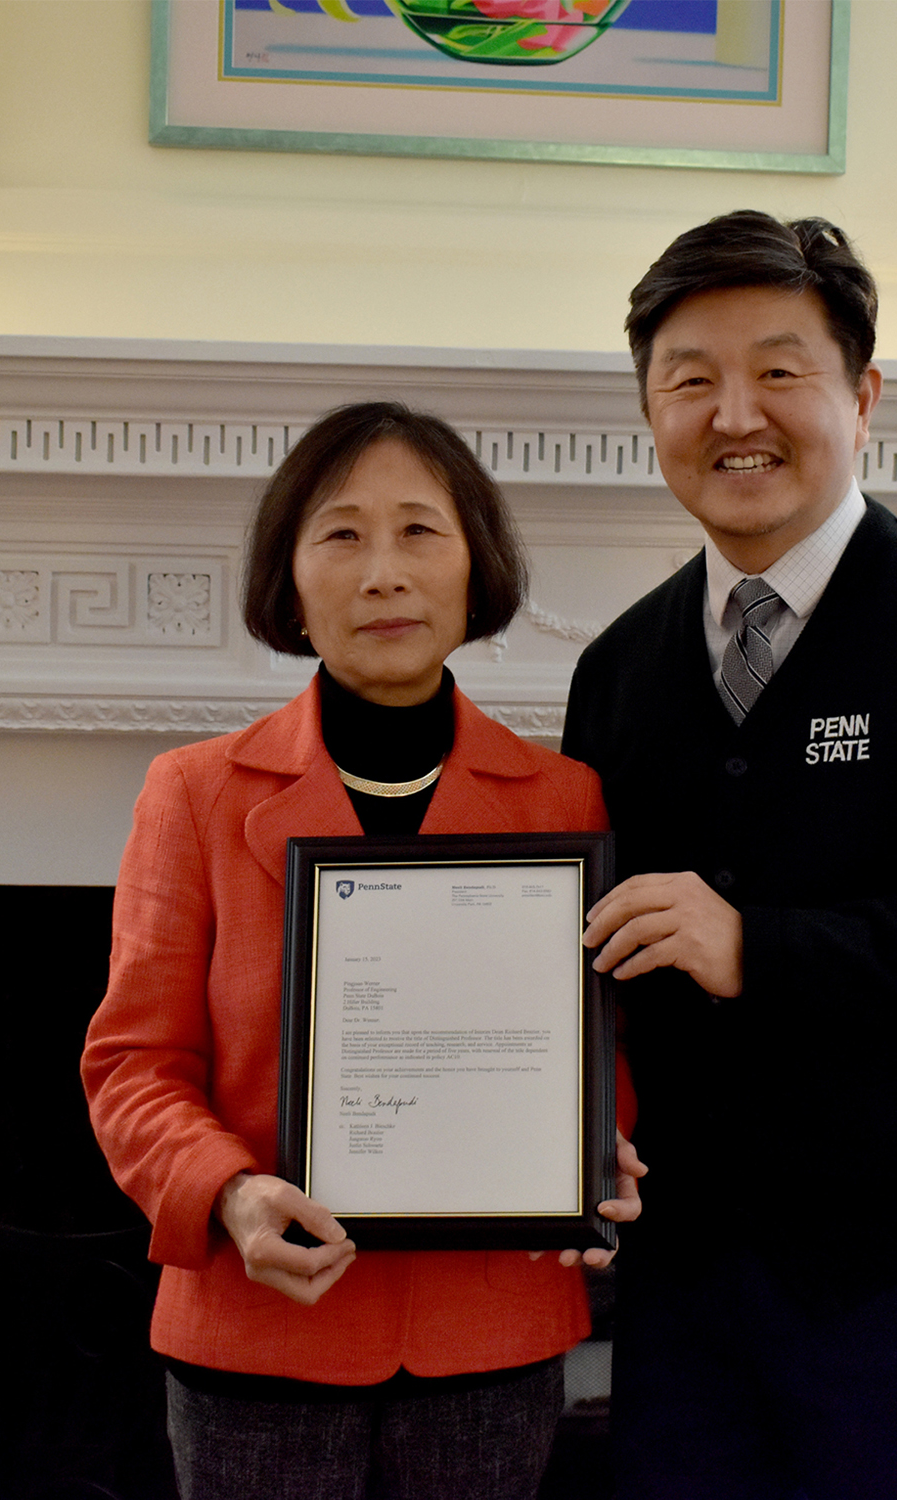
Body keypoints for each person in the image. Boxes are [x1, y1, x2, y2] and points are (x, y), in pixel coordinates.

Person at [562, 211, 897, 1500]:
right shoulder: (620, 671)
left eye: (777, 370)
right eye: (688, 379)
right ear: (649, 412)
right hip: (683, 1290)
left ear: (861, 395)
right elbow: (594, 955)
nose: (731, 412)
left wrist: (759, 947)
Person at [82, 401, 643, 1500]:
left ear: (476, 564)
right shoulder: (191, 794)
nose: (381, 572)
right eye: (339, 535)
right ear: (287, 580)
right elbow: (131, 1067)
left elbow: (593, 1047)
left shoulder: (561, 799)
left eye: (419, 532)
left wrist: (597, 1148)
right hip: (258, 1327)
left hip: (490, 1326)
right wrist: (232, 1194)